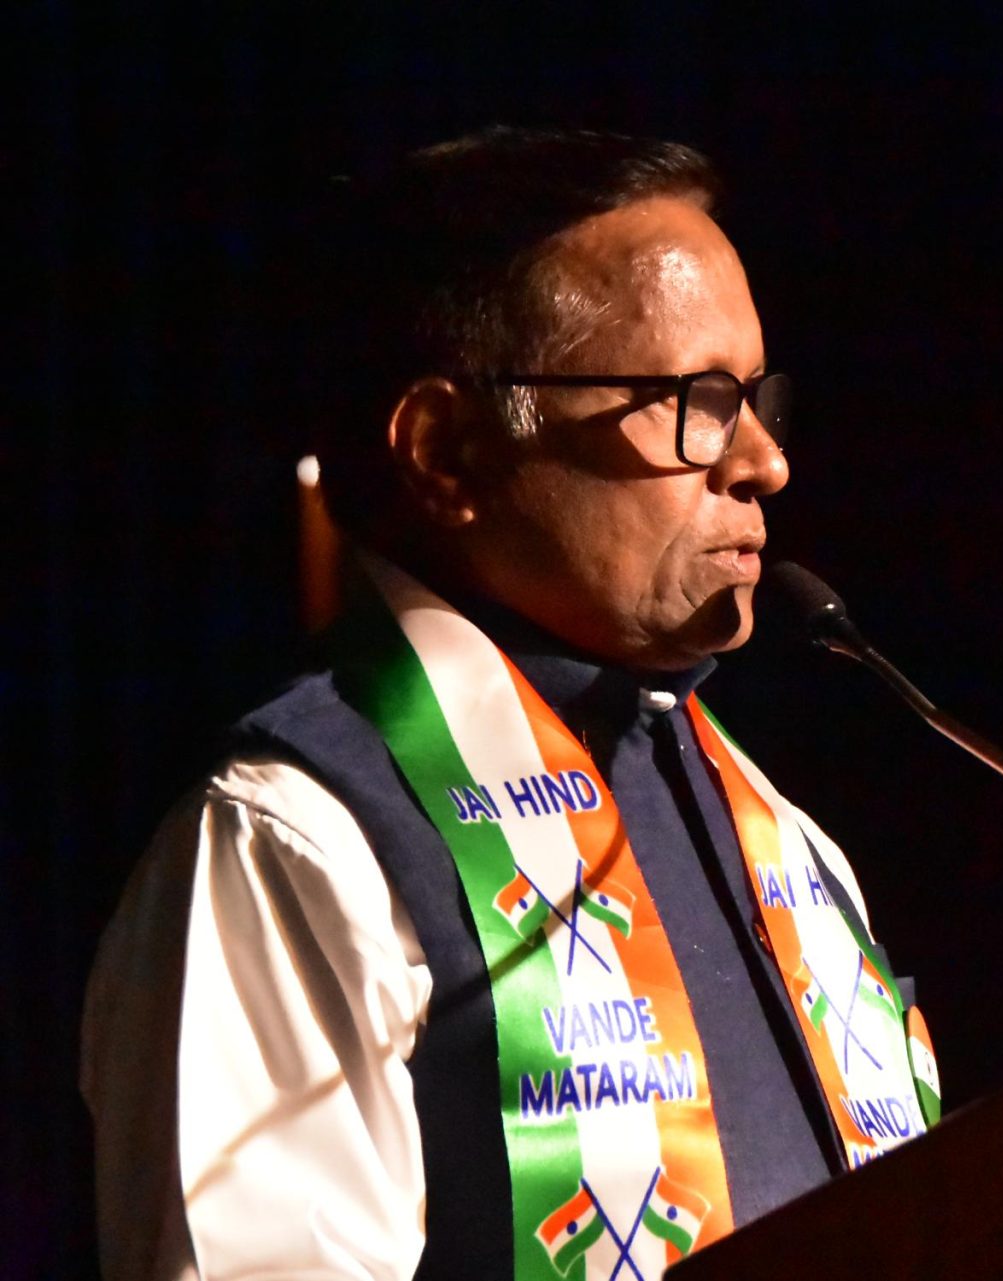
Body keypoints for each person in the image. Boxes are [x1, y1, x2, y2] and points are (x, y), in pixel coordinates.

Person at [81, 127, 940, 1281]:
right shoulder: (298, 847)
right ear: (446, 452)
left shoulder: (780, 840)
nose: (761, 462)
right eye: (694, 400)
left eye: (754, 400)